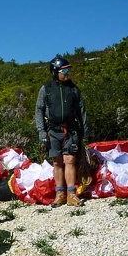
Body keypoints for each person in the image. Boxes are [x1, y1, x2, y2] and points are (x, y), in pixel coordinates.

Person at [35, 55, 90, 207]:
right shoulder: (46, 89)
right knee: (57, 162)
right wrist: (41, 132)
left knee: (70, 160)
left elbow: (82, 111)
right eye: (64, 70)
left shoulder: (73, 89)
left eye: (68, 70)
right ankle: (60, 194)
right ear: (55, 72)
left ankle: (71, 194)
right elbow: (39, 110)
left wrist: (85, 133)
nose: (67, 73)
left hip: (71, 131)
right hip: (52, 131)